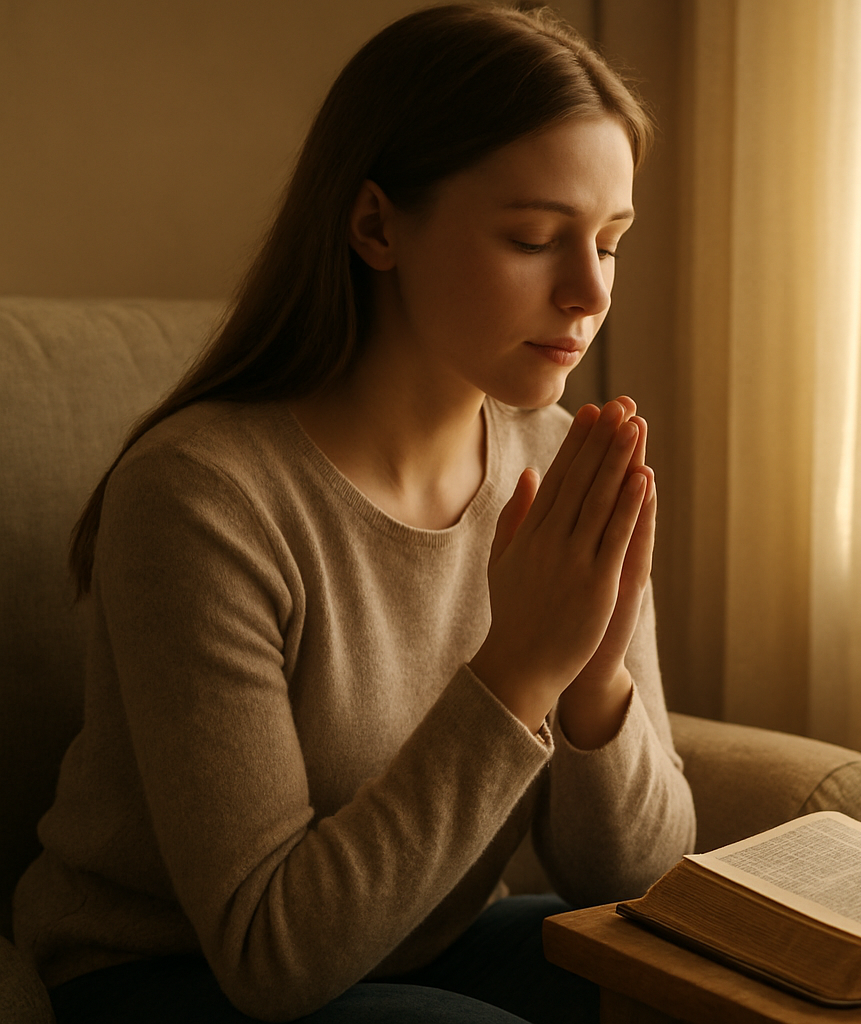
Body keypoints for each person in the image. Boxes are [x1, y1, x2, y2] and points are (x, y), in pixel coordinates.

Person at [11, 5, 695, 1022]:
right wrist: (515, 672)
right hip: (172, 971)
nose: (588, 291)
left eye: (610, 241)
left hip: (425, 944)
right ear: (377, 225)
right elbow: (269, 950)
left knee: (700, 991)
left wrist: (592, 672)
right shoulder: (200, 498)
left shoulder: (556, 464)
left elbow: (637, 881)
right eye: (535, 238)